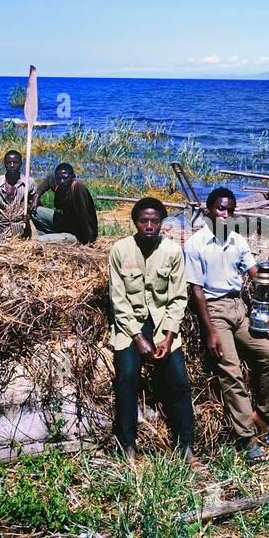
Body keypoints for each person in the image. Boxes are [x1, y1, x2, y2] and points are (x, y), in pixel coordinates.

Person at [184, 187, 269, 462]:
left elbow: (255, 275)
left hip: (238, 307)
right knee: (232, 371)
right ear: (208, 210)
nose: (225, 214)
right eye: (220, 208)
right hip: (215, 311)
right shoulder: (195, 244)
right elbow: (197, 292)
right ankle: (247, 438)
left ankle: (264, 417)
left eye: (229, 210)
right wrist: (210, 332)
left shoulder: (237, 240)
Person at [108, 197, 196, 469]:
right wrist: (138, 337)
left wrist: (168, 337)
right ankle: (128, 445)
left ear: (161, 224)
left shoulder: (172, 251)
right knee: (128, 376)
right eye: (143, 221)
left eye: (154, 221)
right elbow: (118, 300)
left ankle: (185, 445)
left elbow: (178, 298)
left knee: (179, 380)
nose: (149, 226)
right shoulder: (120, 250)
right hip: (129, 327)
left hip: (162, 325)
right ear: (135, 222)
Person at [30, 162, 98, 245]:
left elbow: (84, 216)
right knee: (35, 211)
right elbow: (48, 180)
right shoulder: (58, 184)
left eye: (65, 178)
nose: (62, 181)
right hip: (67, 223)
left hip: (78, 233)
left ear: (73, 177)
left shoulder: (78, 189)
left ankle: (51, 238)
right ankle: (51, 236)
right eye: (59, 178)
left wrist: (87, 242)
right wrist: (37, 195)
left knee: (40, 240)